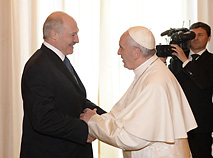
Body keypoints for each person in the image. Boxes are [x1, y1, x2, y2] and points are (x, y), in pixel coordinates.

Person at [80, 26, 197, 158]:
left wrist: (93, 122)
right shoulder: (149, 72)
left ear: (136, 52)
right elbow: (122, 114)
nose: (119, 52)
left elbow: (131, 138)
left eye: (121, 47)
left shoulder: (155, 82)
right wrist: (96, 123)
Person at [20, 11, 105, 158]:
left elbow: (77, 100)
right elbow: (43, 118)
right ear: (54, 35)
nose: (77, 40)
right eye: (73, 34)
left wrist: (107, 119)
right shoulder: (38, 66)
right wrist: (84, 130)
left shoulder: (57, 60)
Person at [168, 22, 213, 158]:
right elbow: (168, 82)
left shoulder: (211, 60)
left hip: (201, 122)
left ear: (209, 37)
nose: (195, 38)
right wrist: (163, 62)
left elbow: (204, 83)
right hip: (177, 119)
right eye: (192, 35)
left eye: (200, 35)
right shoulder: (176, 58)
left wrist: (185, 60)